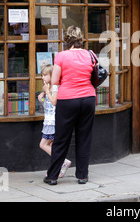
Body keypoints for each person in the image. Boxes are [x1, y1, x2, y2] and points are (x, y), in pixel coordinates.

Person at [43, 26, 96, 186]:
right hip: (88, 98)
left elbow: (55, 81)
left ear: (67, 39)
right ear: (81, 39)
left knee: (61, 139)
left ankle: (52, 176)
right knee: (84, 138)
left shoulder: (61, 56)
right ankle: (82, 176)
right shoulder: (90, 54)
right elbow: (95, 75)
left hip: (67, 100)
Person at [38, 64, 71, 179]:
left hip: (53, 122)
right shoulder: (49, 88)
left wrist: (46, 92)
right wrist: (42, 97)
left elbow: (54, 102)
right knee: (52, 146)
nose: (43, 77)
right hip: (49, 121)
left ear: (52, 76)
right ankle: (56, 168)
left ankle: (63, 162)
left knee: (43, 144)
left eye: (45, 75)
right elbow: (48, 106)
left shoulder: (55, 88)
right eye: (42, 75)